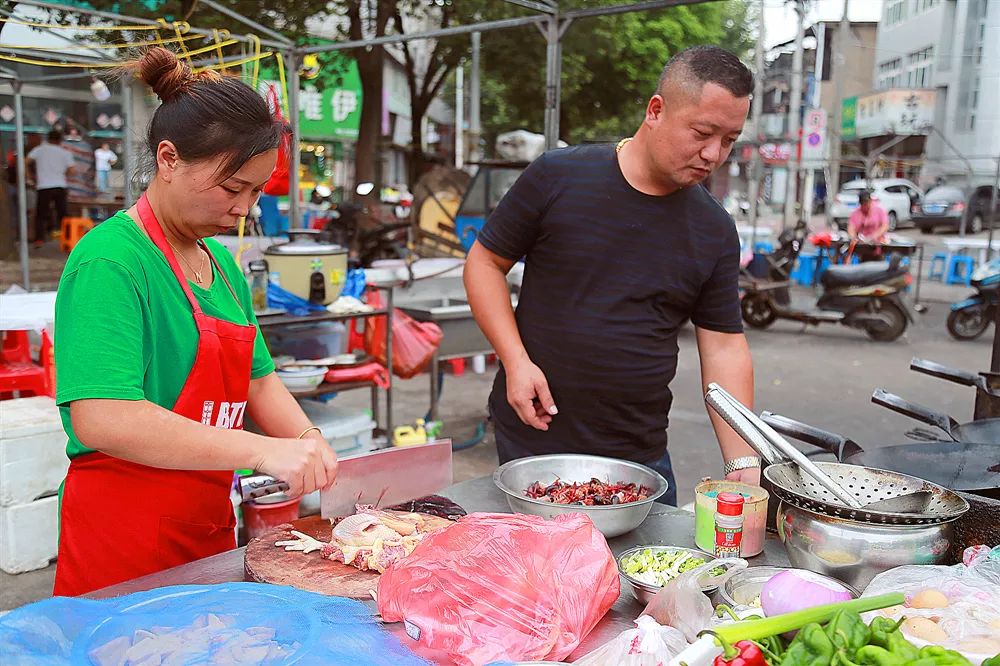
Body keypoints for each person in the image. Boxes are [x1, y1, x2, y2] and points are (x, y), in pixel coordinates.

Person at [52, 47, 339, 597]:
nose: (244, 210)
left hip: (205, 524)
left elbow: (259, 379)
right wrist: (260, 450)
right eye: (233, 188)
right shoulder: (111, 261)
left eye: (256, 191)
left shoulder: (224, 266)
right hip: (124, 540)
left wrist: (307, 438)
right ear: (168, 159)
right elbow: (101, 416)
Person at [464, 46, 760, 506]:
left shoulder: (714, 229)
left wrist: (742, 460)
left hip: (638, 455)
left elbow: (723, 344)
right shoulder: (558, 177)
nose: (712, 154)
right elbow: (484, 263)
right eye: (702, 133)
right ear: (656, 110)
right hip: (535, 440)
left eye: (729, 140)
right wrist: (515, 361)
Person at [27, 129, 75, 247]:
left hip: (43, 185)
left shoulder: (39, 150)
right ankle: (67, 239)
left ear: (48, 138)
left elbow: (25, 161)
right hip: (60, 185)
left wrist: (29, 177)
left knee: (41, 214)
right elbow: (72, 170)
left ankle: (39, 239)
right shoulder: (65, 152)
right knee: (63, 214)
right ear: (60, 140)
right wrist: (64, 174)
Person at [847, 190, 890, 261]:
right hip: (863, 248)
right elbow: (851, 227)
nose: (866, 205)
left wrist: (874, 236)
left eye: (868, 202)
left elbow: (885, 226)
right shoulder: (856, 213)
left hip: (878, 247)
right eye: (864, 204)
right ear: (860, 204)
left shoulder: (879, 210)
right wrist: (853, 237)